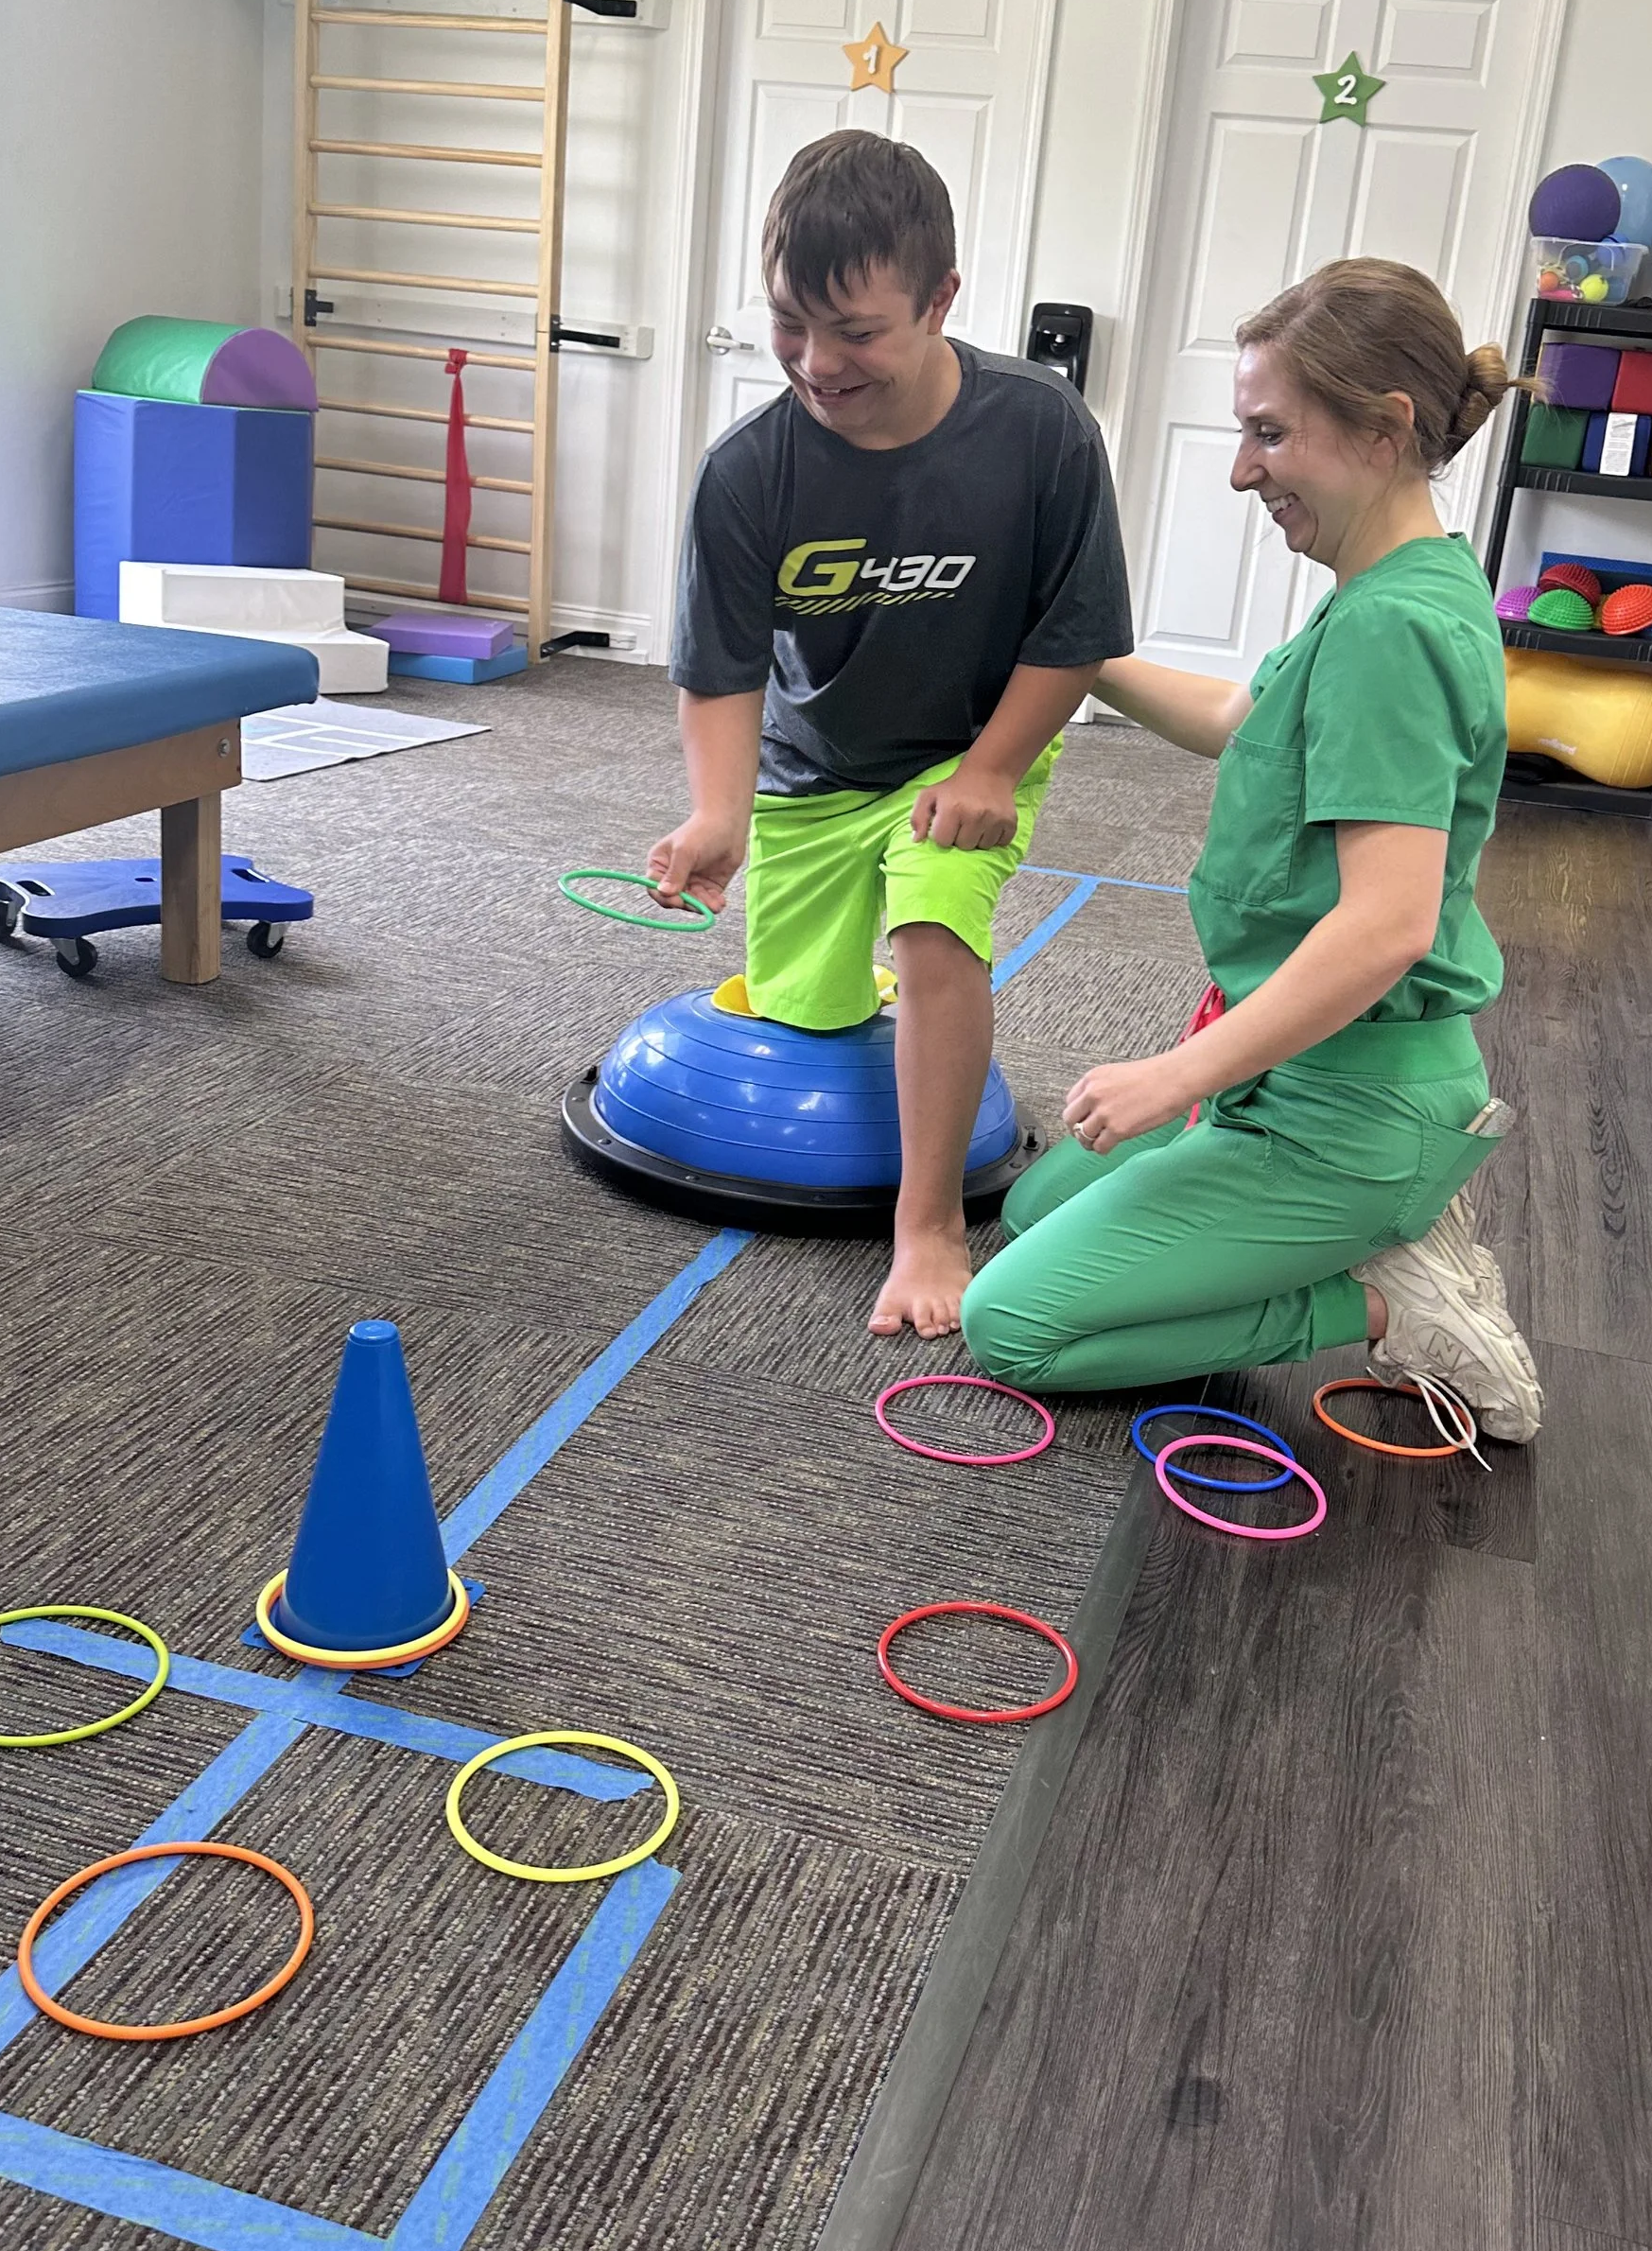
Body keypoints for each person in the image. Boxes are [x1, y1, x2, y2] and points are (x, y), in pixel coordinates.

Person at [958, 255, 1542, 1440]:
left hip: (1347, 1111)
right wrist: (1058, 644)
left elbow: (1387, 925)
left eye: (1269, 435)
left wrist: (1179, 1078)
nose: (1239, 470)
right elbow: (1236, 721)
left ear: (1383, 428)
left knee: (1010, 1324)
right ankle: (1368, 1221)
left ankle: (1382, 1301)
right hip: (1295, 1075)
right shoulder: (1389, 583)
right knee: (1037, 1210)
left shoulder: (1390, 628)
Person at [650, 130, 1134, 1338]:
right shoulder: (747, 475)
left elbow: (1074, 636)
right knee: (807, 1008)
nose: (816, 363)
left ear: (939, 301)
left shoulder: (1040, 429)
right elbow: (720, 668)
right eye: (787, 324)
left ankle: (927, 1228)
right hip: (815, 764)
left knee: (930, 928)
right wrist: (716, 814)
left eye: (856, 331)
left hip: (973, 747)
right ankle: (882, 1000)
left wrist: (992, 771)